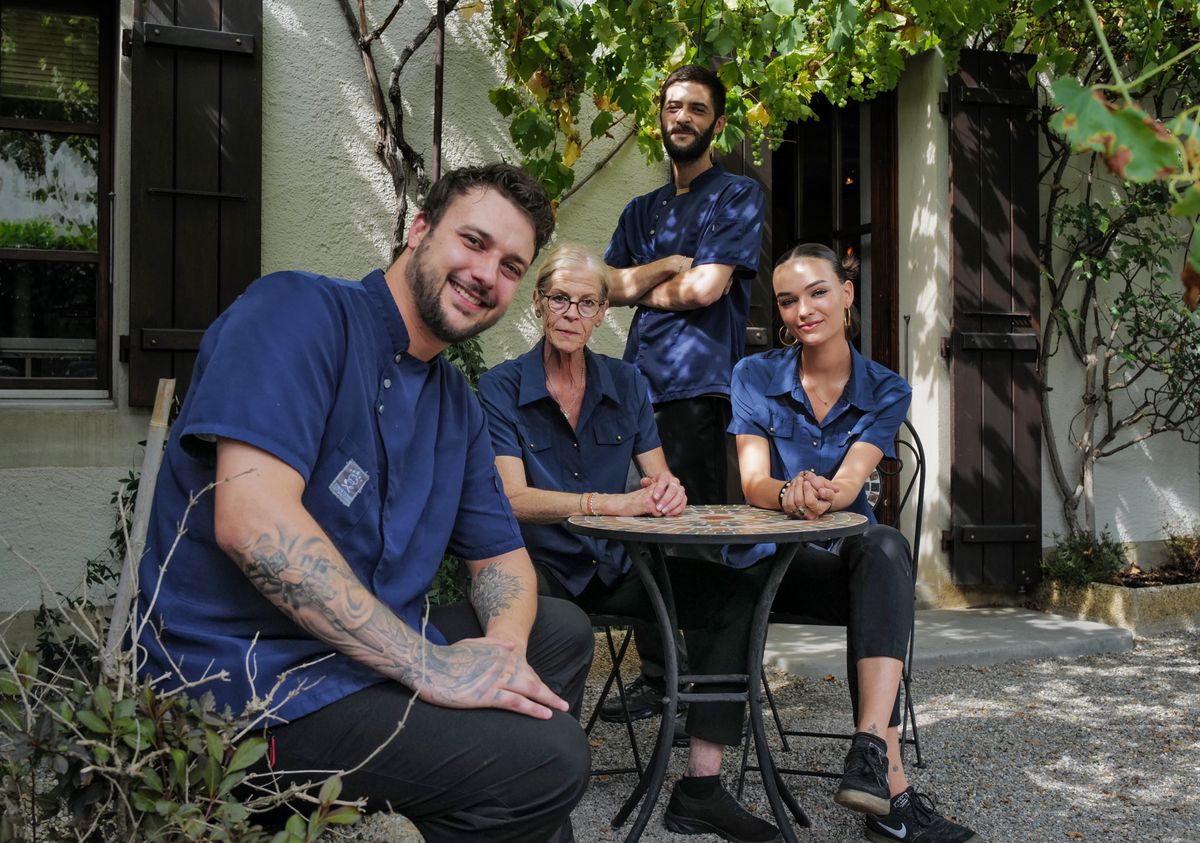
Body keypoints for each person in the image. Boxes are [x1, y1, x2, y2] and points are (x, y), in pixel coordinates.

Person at [135, 164, 593, 843]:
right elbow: (252, 522)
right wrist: (431, 665)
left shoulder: (455, 408)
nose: (485, 273)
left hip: (355, 663)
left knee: (559, 631)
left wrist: (500, 650)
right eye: (472, 241)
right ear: (419, 231)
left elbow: (505, 561)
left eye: (510, 265)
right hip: (248, 689)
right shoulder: (296, 312)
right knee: (552, 760)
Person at [478, 243, 785, 843]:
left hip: (617, 568)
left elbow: (657, 474)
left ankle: (699, 789)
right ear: (539, 305)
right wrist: (604, 504)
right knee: (554, 624)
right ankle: (540, 793)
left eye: (585, 302)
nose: (571, 312)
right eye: (559, 299)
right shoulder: (500, 387)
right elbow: (510, 499)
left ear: (600, 316)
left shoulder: (628, 382)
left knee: (737, 594)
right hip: (537, 569)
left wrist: (666, 491)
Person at [729, 243, 980, 843]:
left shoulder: (886, 388)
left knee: (884, 547)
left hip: (848, 564)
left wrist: (826, 491)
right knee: (882, 585)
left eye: (817, 292)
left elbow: (849, 483)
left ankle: (867, 749)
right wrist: (792, 492)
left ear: (846, 293)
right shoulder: (753, 376)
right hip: (773, 568)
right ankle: (891, 794)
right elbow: (753, 483)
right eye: (787, 300)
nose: (801, 310)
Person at [601, 62, 765, 724]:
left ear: (716, 124)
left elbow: (707, 290)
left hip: (695, 390)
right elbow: (606, 286)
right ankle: (657, 673)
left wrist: (651, 283)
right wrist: (667, 265)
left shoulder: (736, 196)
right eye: (673, 106)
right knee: (642, 531)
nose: (683, 117)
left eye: (697, 108)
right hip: (635, 390)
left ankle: (700, 685)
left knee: (690, 537)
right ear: (660, 116)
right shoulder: (641, 210)